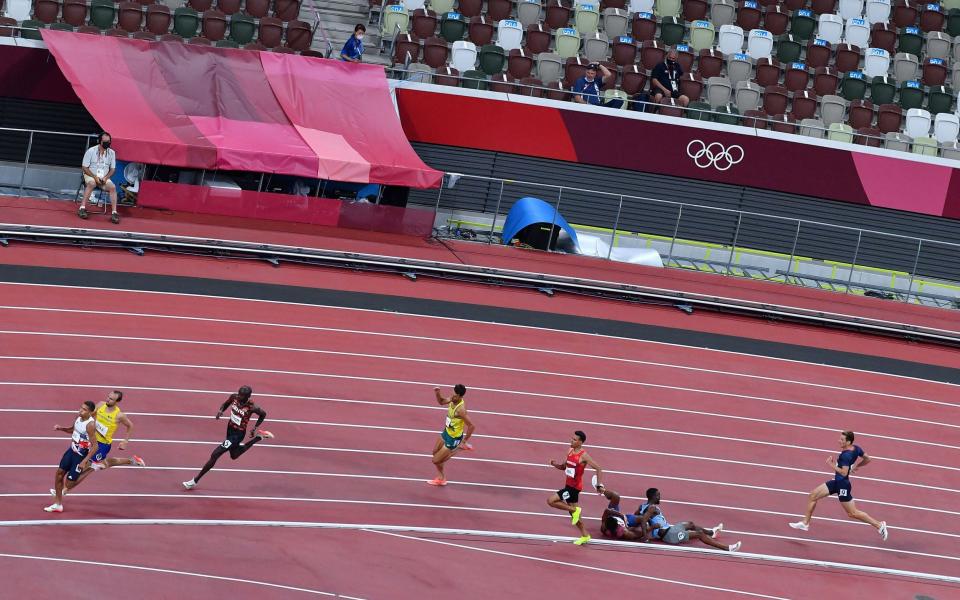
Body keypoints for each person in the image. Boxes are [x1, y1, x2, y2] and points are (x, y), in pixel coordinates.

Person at [790, 430, 888, 540]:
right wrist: (857, 466)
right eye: (840, 438)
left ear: (849, 442)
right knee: (813, 496)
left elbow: (844, 472)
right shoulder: (856, 448)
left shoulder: (845, 456)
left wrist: (831, 464)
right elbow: (868, 459)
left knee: (853, 513)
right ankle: (805, 523)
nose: (839, 441)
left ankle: (879, 525)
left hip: (842, 486)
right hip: (836, 482)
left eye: (842, 440)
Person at [50, 391, 144, 498]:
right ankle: (131, 460)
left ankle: (64, 490)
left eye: (111, 399)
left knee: (84, 467)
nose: (108, 400)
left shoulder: (119, 415)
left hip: (102, 445)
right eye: (108, 397)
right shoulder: (100, 405)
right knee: (102, 464)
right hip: (91, 441)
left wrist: (125, 441)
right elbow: (89, 415)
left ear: (117, 402)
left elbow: (130, 426)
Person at [182, 386, 273, 490]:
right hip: (230, 429)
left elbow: (263, 414)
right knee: (234, 455)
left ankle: (194, 481)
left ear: (248, 396)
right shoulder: (234, 397)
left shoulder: (253, 407)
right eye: (238, 394)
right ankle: (259, 437)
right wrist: (221, 411)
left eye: (241, 396)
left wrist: (255, 427)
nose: (238, 396)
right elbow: (225, 404)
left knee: (215, 454)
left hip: (238, 434)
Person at [638, 488, 741, 552]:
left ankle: (711, 533)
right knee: (699, 534)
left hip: (670, 529)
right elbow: (643, 520)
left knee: (690, 524)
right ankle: (728, 548)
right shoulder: (651, 508)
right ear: (653, 497)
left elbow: (635, 518)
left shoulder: (642, 506)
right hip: (669, 535)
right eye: (658, 495)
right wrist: (646, 537)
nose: (660, 497)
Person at [547, 430, 604, 545]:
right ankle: (585, 535)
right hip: (568, 485)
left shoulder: (583, 456)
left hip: (574, 488)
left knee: (551, 501)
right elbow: (564, 467)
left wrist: (598, 485)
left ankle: (575, 510)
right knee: (575, 516)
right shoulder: (569, 451)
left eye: (574, 440)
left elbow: (598, 468)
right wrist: (555, 465)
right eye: (571, 438)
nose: (571, 441)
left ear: (581, 442)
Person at [45, 401, 98, 513]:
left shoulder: (90, 425)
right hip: (71, 451)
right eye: (80, 408)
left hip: (80, 456)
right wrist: (61, 428)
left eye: (84, 410)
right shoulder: (78, 418)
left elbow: (95, 446)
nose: (80, 411)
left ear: (90, 412)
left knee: (69, 484)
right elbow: (72, 429)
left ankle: (92, 468)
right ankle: (57, 504)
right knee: (59, 474)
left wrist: (85, 461)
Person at [428, 384, 476, 486]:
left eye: (454, 395)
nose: (452, 396)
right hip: (446, 432)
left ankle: (460, 447)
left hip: (453, 439)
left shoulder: (461, 410)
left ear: (460, 396)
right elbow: (441, 402)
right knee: (435, 452)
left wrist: (464, 440)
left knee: (435, 460)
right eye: (452, 393)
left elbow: (471, 426)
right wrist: (437, 393)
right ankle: (441, 478)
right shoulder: (453, 399)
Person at [79, 132, 120, 224]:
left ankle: (114, 213)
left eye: (109, 142)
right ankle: (82, 208)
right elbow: (84, 167)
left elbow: (113, 169)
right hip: (91, 175)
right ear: (99, 141)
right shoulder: (91, 151)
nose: (107, 144)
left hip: (104, 177)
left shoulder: (112, 153)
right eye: (105, 142)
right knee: (92, 183)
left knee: (112, 187)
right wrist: (94, 177)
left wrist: (106, 177)